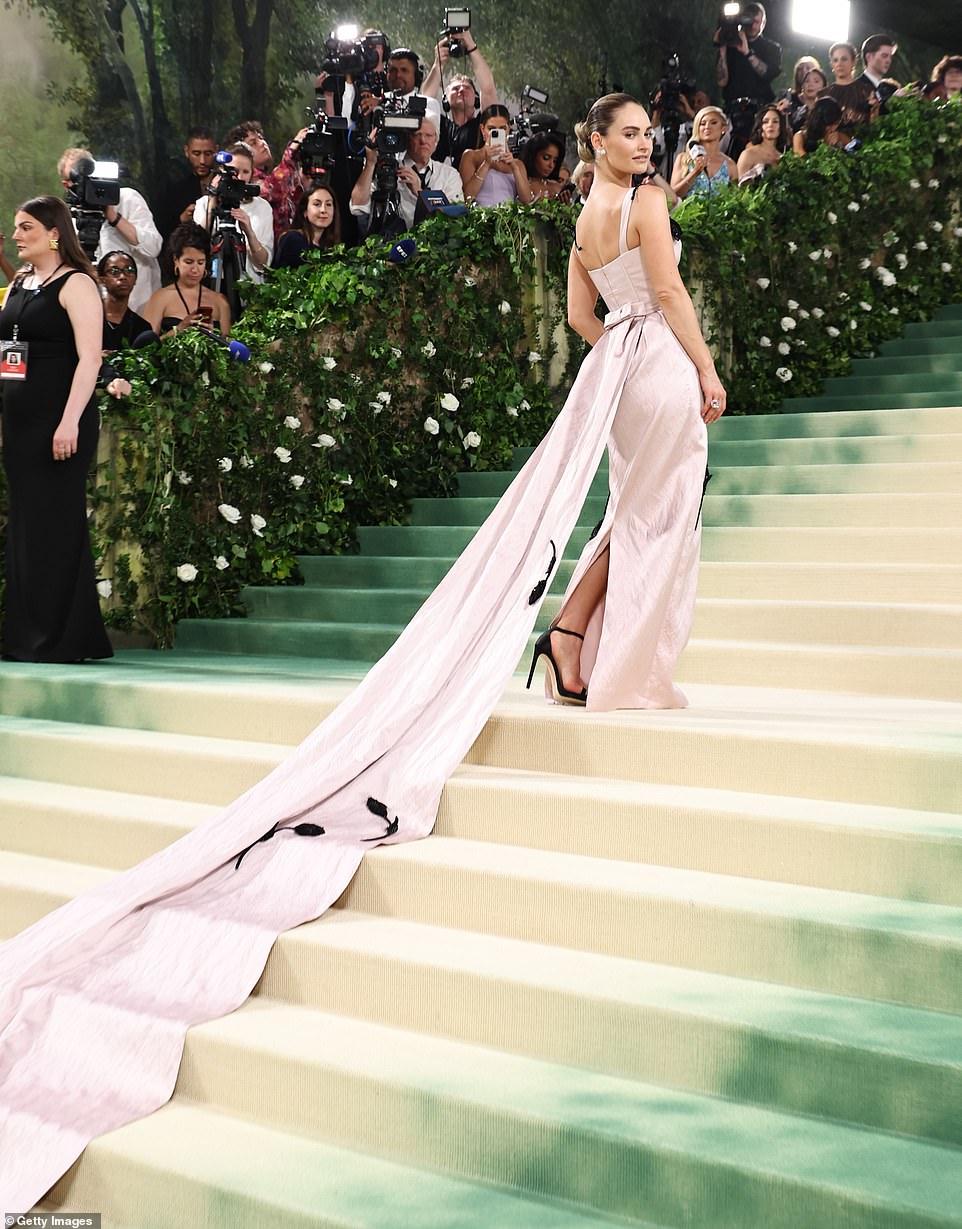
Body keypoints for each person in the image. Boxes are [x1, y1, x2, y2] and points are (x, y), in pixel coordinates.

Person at [0, 94, 727, 1208]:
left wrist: (624, 342)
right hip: (658, 366)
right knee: (658, 519)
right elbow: (666, 289)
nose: (640, 145)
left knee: (633, 515)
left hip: (612, 370)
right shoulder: (648, 202)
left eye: (643, 135)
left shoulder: (584, 207)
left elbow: (584, 314)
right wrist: (701, 362)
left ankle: (575, 642)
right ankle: (616, 665)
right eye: (627, 132)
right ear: (597, 143)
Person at [0, 197, 127, 662]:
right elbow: (8, 355)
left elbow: (91, 358)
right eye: (16, 228)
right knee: (27, 529)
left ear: (54, 232)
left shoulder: (77, 284)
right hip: (19, 420)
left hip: (61, 419)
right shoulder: (20, 282)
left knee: (56, 525)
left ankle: (63, 638)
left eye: (25, 227)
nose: (16, 236)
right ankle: (27, 636)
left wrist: (69, 420)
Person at [58, 147, 163, 313]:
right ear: (66, 184)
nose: (85, 181)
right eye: (77, 176)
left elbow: (153, 247)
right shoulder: (67, 217)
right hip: (94, 310)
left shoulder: (127, 198)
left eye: (88, 173)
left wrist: (114, 217)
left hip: (139, 308)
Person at [351, 115, 464, 235]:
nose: (423, 141)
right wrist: (370, 163)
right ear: (406, 139)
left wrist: (420, 193)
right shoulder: (387, 168)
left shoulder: (449, 174)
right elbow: (357, 207)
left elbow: (454, 219)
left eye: (429, 135)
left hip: (434, 246)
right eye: (417, 135)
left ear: (436, 141)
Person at [192, 142, 274, 285]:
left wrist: (248, 231)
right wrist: (213, 200)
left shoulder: (262, 207)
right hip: (212, 283)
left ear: (252, 174)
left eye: (245, 172)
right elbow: (196, 246)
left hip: (248, 287)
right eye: (234, 171)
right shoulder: (204, 203)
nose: (239, 177)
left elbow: (264, 264)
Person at [142, 223, 231, 337]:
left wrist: (213, 337)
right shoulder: (159, 298)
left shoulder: (220, 301)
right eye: (188, 262)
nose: (195, 270)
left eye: (200, 262)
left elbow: (228, 348)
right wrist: (179, 329)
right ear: (176, 260)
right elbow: (146, 349)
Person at [427, 30, 499, 167]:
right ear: (445, 100)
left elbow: (488, 88)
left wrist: (470, 45)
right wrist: (438, 65)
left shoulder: (483, 125)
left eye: (466, 88)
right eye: (455, 89)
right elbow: (425, 99)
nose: (461, 90)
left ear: (477, 99)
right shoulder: (438, 124)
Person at [714, 2, 782, 117]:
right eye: (750, 21)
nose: (753, 26)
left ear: (764, 23)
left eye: (757, 22)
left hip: (760, 109)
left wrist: (747, 53)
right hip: (733, 107)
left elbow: (768, 74)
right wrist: (722, 47)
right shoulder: (730, 45)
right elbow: (722, 81)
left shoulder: (772, 48)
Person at [460, 104, 534, 204]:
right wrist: (486, 164)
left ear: (509, 129)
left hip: (509, 217)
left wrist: (514, 167)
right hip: (480, 217)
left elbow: (526, 200)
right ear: (482, 129)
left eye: (502, 129)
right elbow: (467, 197)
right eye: (492, 129)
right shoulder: (471, 156)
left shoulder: (518, 164)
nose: (498, 133)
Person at [156, 127, 218, 240]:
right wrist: (181, 220)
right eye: (196, 154)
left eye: (208, 153)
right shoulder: (174, 189)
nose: (202, 161)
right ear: (186, 151)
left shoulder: (223, 183)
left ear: (216, 151)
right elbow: (161, 232)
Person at [670, 106, 738, 201]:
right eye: (702, 124)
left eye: (713, 123)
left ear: (724, 129)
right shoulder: (684, 159)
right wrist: (694, 172)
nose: (707, 127)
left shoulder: (730, 165)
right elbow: (673, 196)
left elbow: (735, 201)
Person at [273, 182, 342, 268]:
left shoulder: (330, 248)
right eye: (317, 204)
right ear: (305, 211)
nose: (323, 210)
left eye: (328, 204)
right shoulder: (292, 239)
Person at [98, 250, 150, 349]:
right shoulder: (88, 318)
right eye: (114, 272)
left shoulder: (141, 327)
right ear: (102, 279)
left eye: (129, 270)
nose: (123, 277)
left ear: (135, 279)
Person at [736, 104, 788, 182]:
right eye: (765, 122)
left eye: (775, 121)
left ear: (781, 127)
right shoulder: (748, 154)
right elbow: (737, 188)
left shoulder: (783, 159)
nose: (770, 125)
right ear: (760, 127)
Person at [521, 132, 567, 201]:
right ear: (533, 155)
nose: (551, 165)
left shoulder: (557, 188)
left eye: (555, 160)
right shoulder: (520, 183)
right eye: (546, 158)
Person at [790, 67, 830, 133]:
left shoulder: (828, 111)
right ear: (802, 86)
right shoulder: (795, 112)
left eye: (816, 81)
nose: (810, 84)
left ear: (824, 86)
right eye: (807, 81)